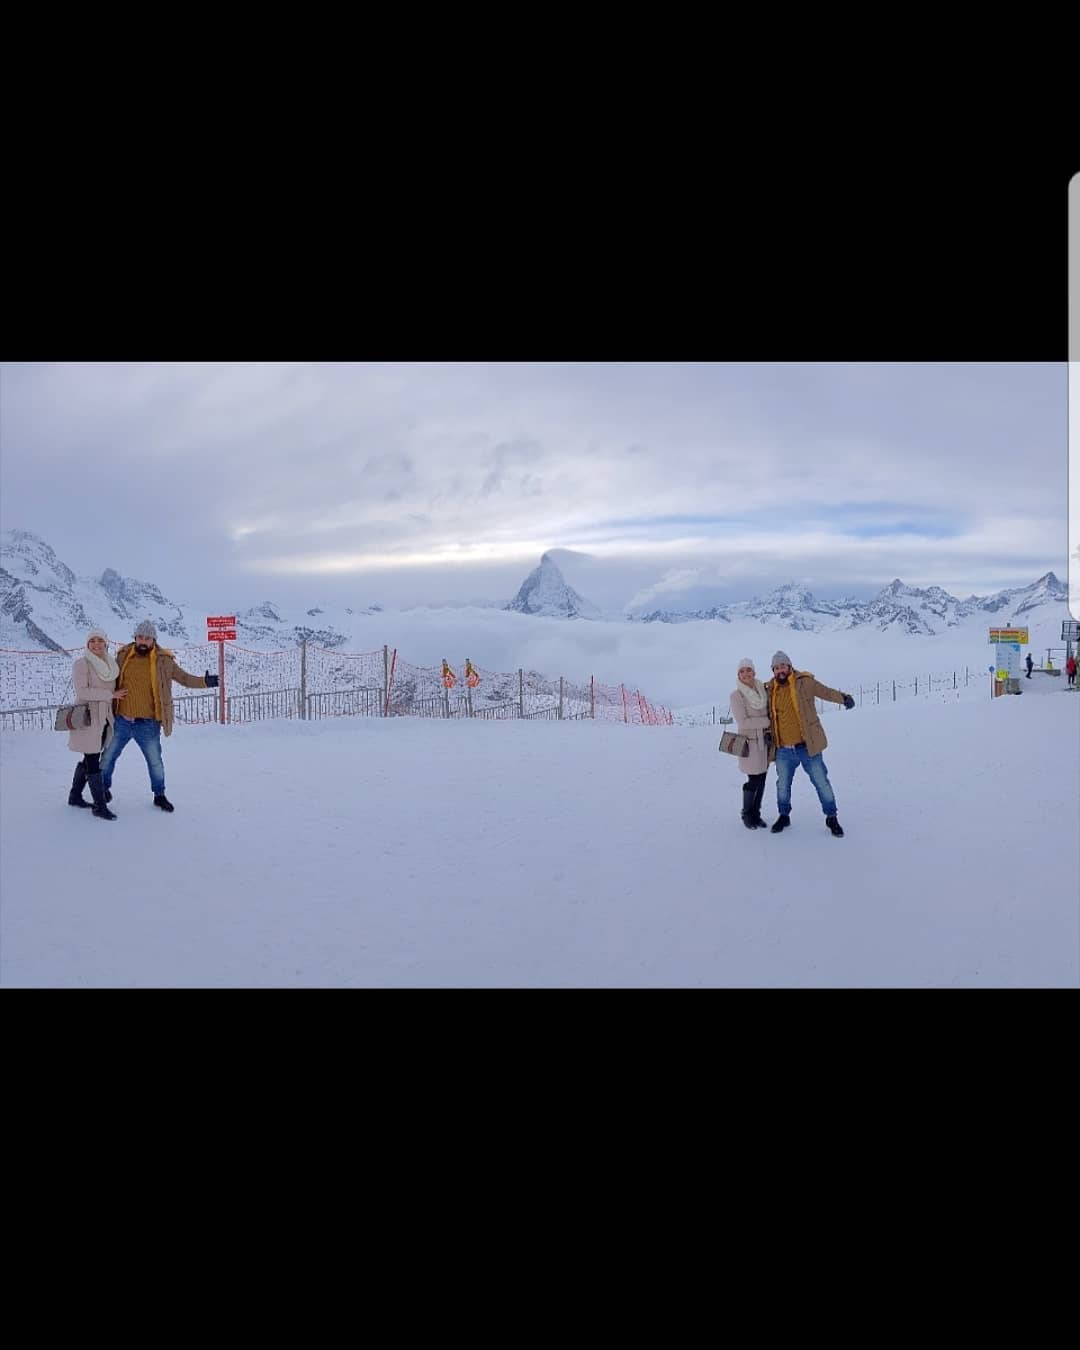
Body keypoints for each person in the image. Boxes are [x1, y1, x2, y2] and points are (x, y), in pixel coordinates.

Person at [98, 620, 219, 812]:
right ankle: (102, 790)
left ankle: (159, 795)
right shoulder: (123, 656)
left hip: (147, 724)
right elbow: (107, 677)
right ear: (135, 638)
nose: (143, 641)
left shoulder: (164, 660)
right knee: (108, 757)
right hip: (121, 719)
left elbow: (184, 678)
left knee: (155, 761)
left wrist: (205, 682)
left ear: (154, 640)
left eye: (147, 638)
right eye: (140, 637)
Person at [764, 650, 855, 838]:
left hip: (807, 746)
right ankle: (784, 815)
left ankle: (832, 817)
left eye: (783, 666)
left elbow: (825, 692)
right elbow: (766, 716)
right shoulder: (769, 689)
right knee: (782, 785)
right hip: (783, 749)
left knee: (821, 782)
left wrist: (843, 698)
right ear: (773, 670)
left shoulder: (804, 682)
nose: (780, 670)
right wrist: (766, 734)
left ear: (790, 666)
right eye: (777, 667)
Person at [67, 628, 127, 821]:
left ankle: (75, 796)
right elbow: (83, 691)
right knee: (93, 760)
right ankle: (99, 806)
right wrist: (111, 695)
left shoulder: (110, 665)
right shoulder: (81, 664)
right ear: (87, 644)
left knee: (90, 756)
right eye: (92, 641)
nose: (96, 644)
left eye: (100, 640)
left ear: (105, 643)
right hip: (88, 717)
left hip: (105, 718)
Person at [729, 658, 772, 829]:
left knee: (762, 779)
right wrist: (766, 722)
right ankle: (747, 814)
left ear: (754, 673)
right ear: (738, 675)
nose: (746, 674)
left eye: (749, 670)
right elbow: (743, 722)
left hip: (764, 744)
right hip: (749, 745)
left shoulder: (762, 690)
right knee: (753, 780)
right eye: (742, 671)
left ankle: (757, 814)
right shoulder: (737, 695)